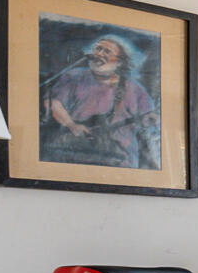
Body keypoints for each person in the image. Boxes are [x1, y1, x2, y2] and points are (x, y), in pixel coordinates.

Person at [41, 30, 160, 169]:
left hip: (120, 156)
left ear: (120, 62)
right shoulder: (74, 76)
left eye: (107, 51)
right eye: (98, 49)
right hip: (76, 149)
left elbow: (148, 118)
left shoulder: (134, 88)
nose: (99, 54)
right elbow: (53, 103)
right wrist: (71, 125)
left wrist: (149, 119)